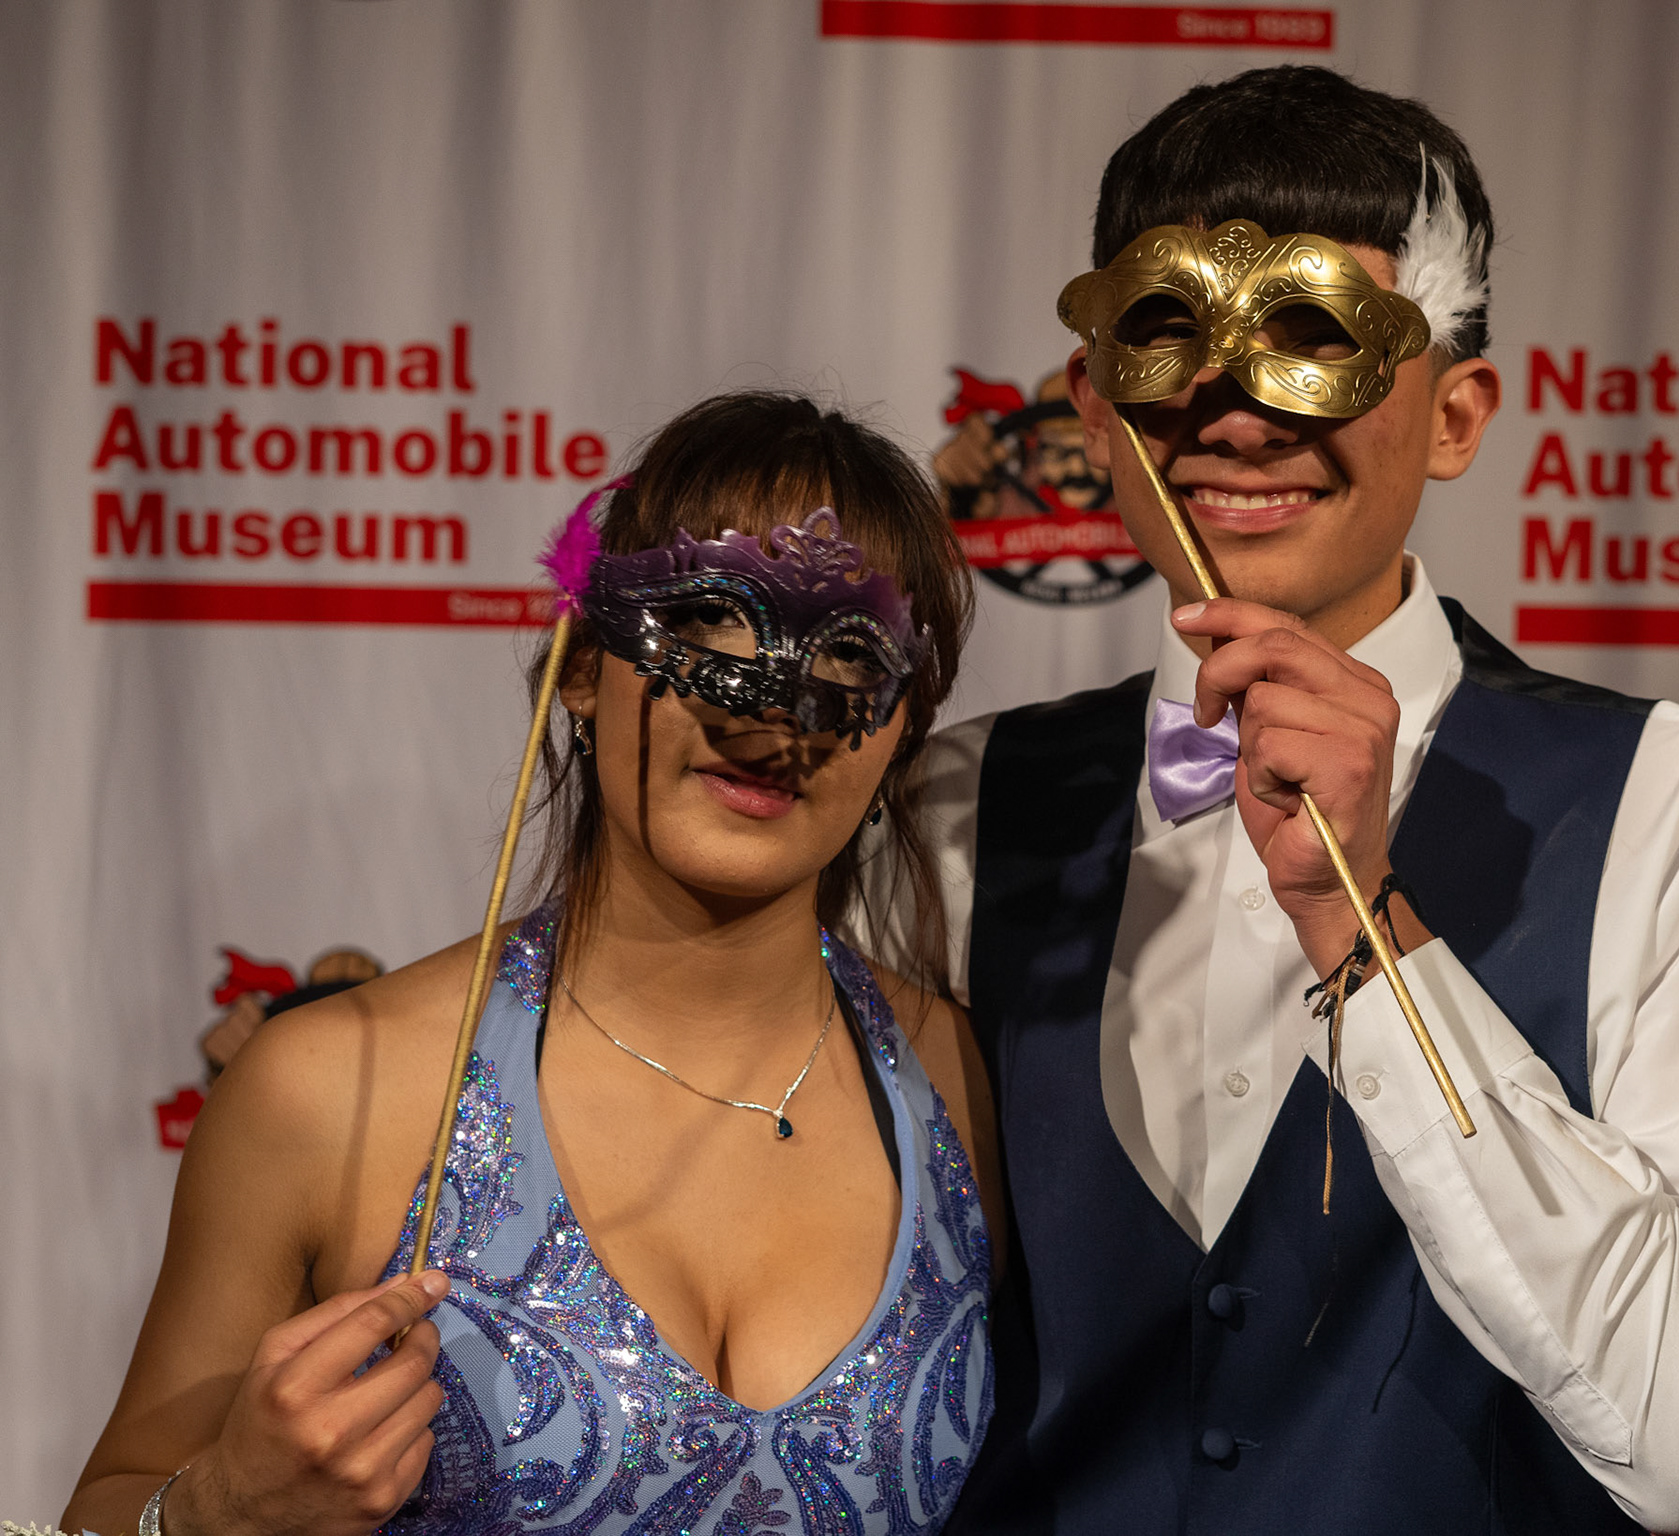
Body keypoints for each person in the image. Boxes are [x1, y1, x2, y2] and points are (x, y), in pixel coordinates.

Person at [867, 66, 1679, 1535]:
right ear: (1095, 408)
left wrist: (1367, 927)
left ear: (1456, 416)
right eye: (1168, 335)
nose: (1239, 419)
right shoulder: (945, 808)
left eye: (1315, 341)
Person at [64, 392, 999, 1536]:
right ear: (581, 665)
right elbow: (110, 1502)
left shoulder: (955, 1079)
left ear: (903, 725)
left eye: (849, 650)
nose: (769, 718)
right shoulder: (334, 1088)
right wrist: (219, 1510)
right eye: (707, 620)